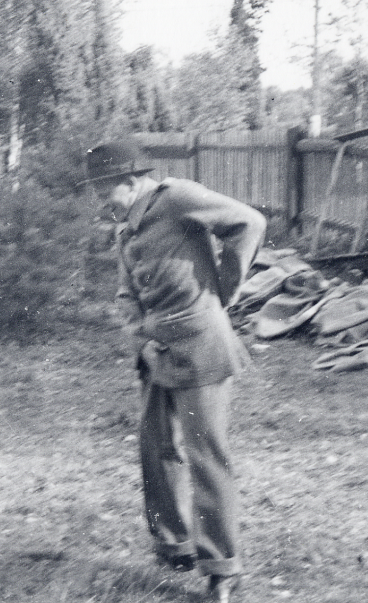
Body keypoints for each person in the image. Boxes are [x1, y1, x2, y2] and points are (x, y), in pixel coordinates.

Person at [80, 140, 266, 603]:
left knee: (206, 456)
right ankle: (175, 544)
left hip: (201, 346)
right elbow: (127, 290)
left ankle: (222, 568)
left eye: (105, 189)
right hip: (156, 350)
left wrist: (223, 290)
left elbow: (250, 223)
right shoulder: (128, 227)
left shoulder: (177, 197)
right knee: (157, 447)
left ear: (130, 180)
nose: (100, 199)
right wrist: (139, 333)